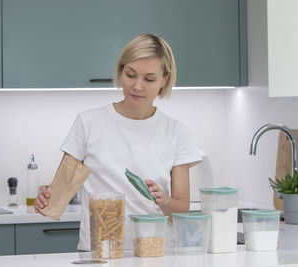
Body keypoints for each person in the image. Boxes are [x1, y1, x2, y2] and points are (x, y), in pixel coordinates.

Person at [34, 33, 202, 251]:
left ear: (165, 79)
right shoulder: (89, 123)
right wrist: (46, 200)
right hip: (99, 252)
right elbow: (58, 194)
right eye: (130, 74)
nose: (137, 86)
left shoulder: (177, 132)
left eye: (149, 79)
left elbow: (181, 210)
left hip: (154, 252)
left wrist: (164, 200)